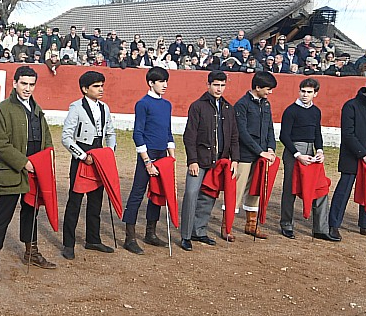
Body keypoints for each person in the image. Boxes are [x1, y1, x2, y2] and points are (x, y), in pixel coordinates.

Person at [0, 65, 56, 278]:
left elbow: (47, 137)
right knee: (3, 214)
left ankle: (31, 252)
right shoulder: (2, 109)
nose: (27, 88)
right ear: (14, 83)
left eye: (31, 84)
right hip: (14, 169)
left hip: (36, 170)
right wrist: (23, 162)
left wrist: (46, 158)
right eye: (23, 83)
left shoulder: (37, 110)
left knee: (31, 212)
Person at [60, 70, 117, 260]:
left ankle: (93, 239)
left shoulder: (105, 108)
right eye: (96, 86)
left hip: (99, 156)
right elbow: (66, 137)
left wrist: (109, 153)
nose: (100, 89)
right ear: (85, 89)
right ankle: (68, 243)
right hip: (82, 156)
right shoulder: (76, 107)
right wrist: (83, 156)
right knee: (74, 202)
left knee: (95, 201)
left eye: (101, 86)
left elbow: (111, 133)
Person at [179, 70, 240, 249]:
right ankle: (186, 235)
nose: (219, 89)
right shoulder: (197, 106)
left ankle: (199, 231)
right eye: (216, 85)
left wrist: (234, 159)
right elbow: (189, 136)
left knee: (209, 196)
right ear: (208, 85)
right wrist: (192, 161)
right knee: (191, 194)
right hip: (199, 160)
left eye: (222, 85)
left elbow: (234, 136)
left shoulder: (229, 108)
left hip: (219, 161)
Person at [121, 67, 175, 253]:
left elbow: (168, 131)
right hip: (148, 153)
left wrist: (172, 155)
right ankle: (129, 237)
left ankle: (150, 233)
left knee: (157, 193)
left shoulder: (167, 105)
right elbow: (138, 133)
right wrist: (147, 161)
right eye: (161, 81)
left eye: (166, 81)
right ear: (151, 83)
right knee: (137, 192)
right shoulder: (142, 104)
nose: (165, 85)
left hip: (162, 154)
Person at [328, 77, 366, 239]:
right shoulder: (351, 106)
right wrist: (363, 155)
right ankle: (333, 225)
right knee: (344, 191)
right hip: (352, 156)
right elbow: (348, 134)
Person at [279, 77, 336, 240]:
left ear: (315, 94)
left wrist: (320, 151)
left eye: (309, 92)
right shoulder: (291, 110)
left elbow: (317, 133)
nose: (305, 95)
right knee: (291, 188)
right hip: (294, 151)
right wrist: (297, 155)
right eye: (303, 91)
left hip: (311, 149)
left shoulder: (316, 111)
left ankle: (320, 228)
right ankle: (287, 224)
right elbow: (284, 136)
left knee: (319, 187)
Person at [233, 71, 278, 238]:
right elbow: (242, 132)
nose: (270, 92)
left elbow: (270, 128)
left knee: (256, 189)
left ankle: (251, 225)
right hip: (245, 154)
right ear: (257, 87)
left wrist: (271, 148)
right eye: (268, 89)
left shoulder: (266, 104)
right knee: (238, 189)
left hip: (262, 155)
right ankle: (227, 225)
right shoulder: (242, 104)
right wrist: (260, 151)